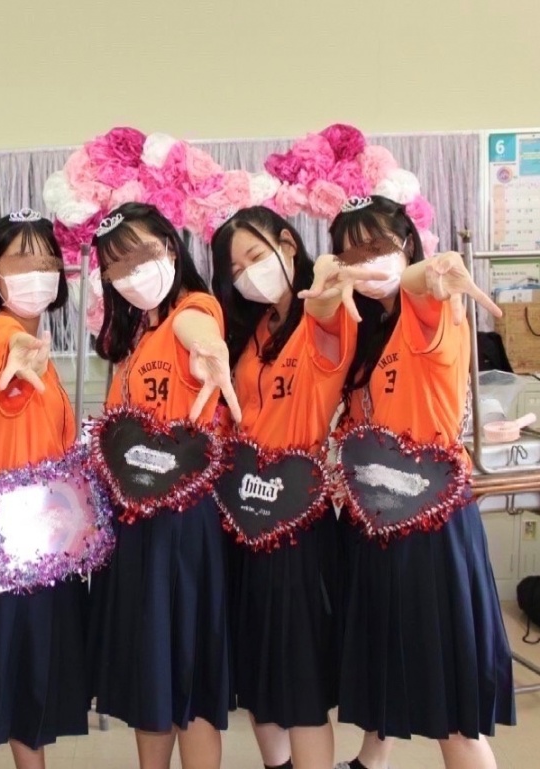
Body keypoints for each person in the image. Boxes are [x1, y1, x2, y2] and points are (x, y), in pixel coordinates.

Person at [327, 195, 515, 769]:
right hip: (377, 518)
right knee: (386, 654)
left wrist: (431, 267)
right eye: (351, 254)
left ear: (408, 244)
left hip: (431, 521)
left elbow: (424, 279)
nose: (366, 262)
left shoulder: (428, 308)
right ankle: (370, 760)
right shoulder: (369, 331)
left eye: (378, 246)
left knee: (447, 694)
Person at [210, 205, 379, 769]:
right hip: (243, 518)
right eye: (236, 269)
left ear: (287, 243)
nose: (248, 275)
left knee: (301, 683)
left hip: (298, 519)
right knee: (258, 674)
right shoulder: (254, 331)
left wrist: (326, 285)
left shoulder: (323, 318)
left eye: (255, 256)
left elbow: (328, 309)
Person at [88, 202, 240, 769]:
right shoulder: (134, 340)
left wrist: (210, 351)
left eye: (142, 255)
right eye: (117, 265)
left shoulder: (190, 309)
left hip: (183, 522)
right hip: (136, 526)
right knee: (150, 679)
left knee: (189, 679)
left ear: (171, 249)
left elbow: (199, 330)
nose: (132, 273)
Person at [0, 208, 89, 769]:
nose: (38, 273)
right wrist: (16, 364)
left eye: (47, 261)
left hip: (40, 535)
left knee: (26, 683)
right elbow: (7, 363)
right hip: (3, 540)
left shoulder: (34, 344)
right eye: (21, 261)